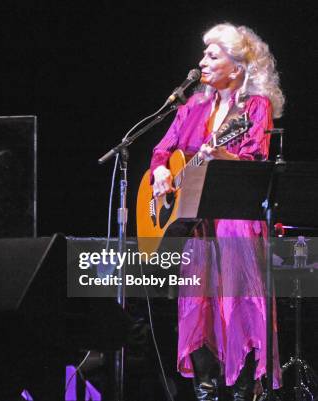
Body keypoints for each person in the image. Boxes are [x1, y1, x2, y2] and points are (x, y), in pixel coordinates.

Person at [149, 24, 284, 400]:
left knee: (239, 303)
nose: (201, 61)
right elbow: (163, 150)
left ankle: (244, 390)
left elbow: (254, 160)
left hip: (236, 222)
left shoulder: (256, 107)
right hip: (196, 222)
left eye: (212, 55)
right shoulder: (192, 107)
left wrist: (217, 154)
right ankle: (205, 391)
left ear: (237, 66)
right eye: (203, 53)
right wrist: (160, 170)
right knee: (197, 306)